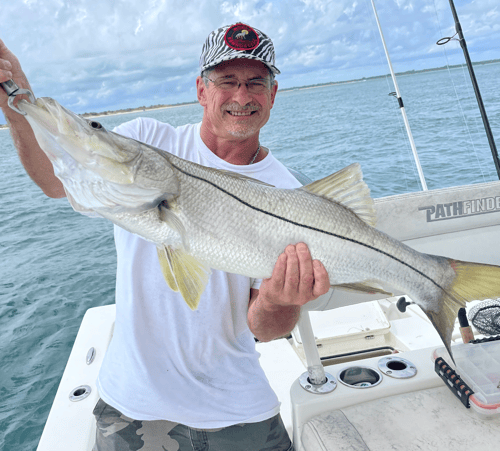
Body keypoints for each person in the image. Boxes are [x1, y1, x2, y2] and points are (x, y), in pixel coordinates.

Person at [0, 23, 330, 451]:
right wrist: (17, 103)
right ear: (201, 89)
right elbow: (53, 180)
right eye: (227, 81)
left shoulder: (288, 193)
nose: (242, 96)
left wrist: (278, 300)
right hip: (131, 406)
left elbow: (264, 328)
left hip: (237, 408)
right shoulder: (145, 140)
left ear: (273, 94)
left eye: (256, 83)